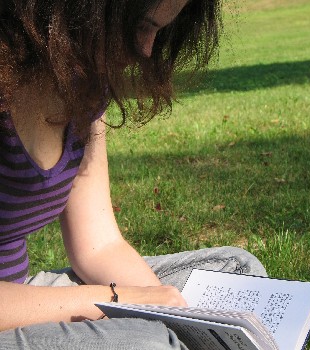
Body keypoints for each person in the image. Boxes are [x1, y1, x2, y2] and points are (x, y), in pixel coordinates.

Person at [0, 0, 267, 348]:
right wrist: (119, 301)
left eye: (160, 29)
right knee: (146, 341)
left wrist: (170, 308)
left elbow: (99, 246)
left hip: (24, 297)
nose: (146, 49)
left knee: (237, 271)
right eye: (141, 25)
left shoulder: (83, 86)